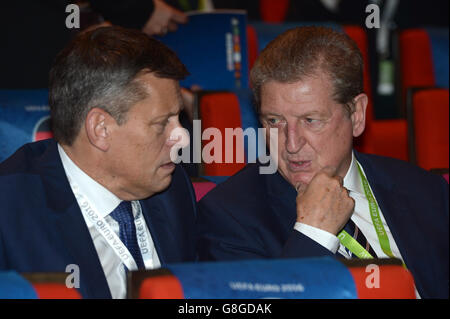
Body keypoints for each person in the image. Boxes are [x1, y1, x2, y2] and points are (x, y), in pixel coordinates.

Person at [196, 26, 449, 299]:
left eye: (311, 121)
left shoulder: (425, 190)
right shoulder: (229, 217)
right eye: (274, 121)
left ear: (357, 115)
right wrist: (313, 234)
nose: (291, 145)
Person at [0, 26, 197, 299]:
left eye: (179, 118)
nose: (183, 139)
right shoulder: (10, 214)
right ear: (100, 128)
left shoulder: (173, 190)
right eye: (162, 123)